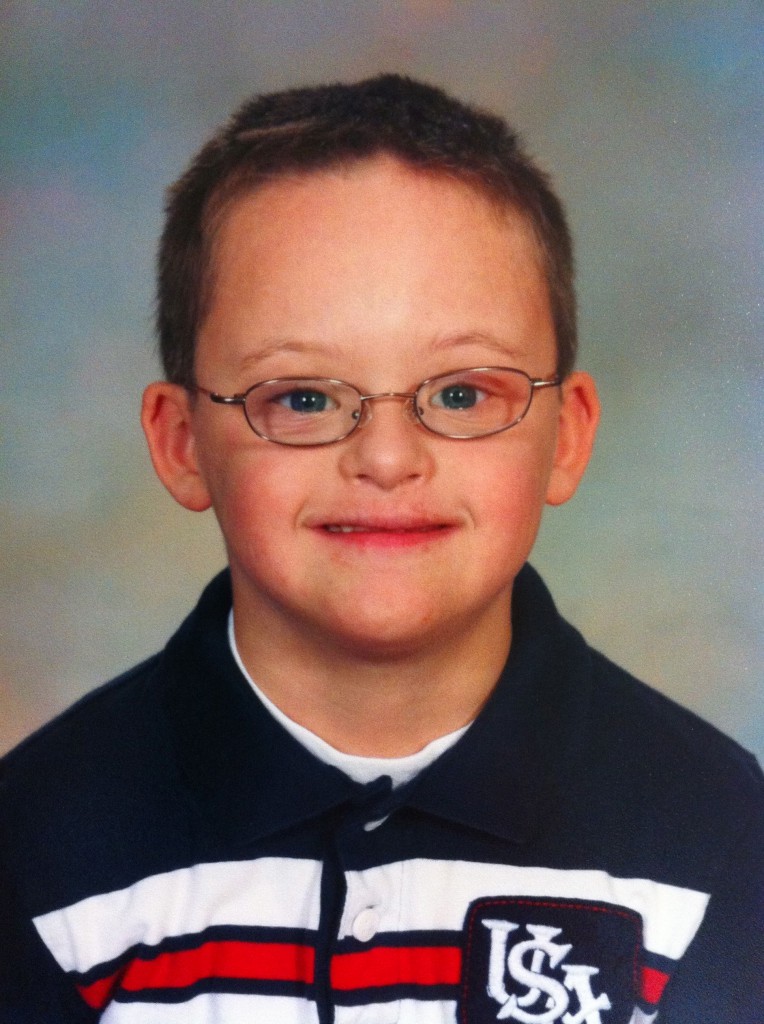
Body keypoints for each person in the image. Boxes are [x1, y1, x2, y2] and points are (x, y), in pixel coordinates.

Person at [0, 74, 761, 1024]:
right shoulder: (35, 854)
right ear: (182, 442)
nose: (389, 459)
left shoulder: (721, 843)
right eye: (302, 398)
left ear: (566, 436)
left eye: (462, 394)